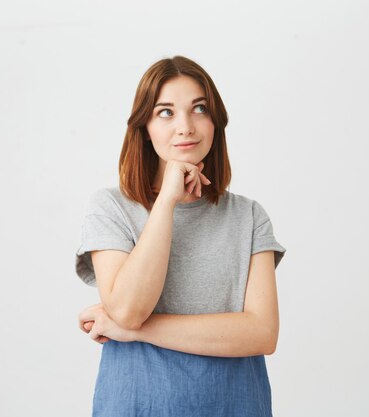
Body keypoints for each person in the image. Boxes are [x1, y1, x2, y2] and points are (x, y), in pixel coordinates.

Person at [74, 55, 286, 417]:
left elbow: (261, 334)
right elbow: (128, 309)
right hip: (136, 406)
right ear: (144, 127)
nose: (185, 126)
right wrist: (167, 201)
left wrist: (137, 332)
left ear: (215, 121)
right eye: (166, 112)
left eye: (199, 109)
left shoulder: (248, 216)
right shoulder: (110, 207)